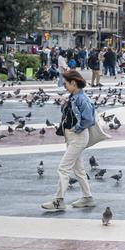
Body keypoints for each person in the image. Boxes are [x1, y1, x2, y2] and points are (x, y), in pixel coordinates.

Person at [41, 70, 97, 212]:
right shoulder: (73, 97)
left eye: (65, 83)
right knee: (78, 169)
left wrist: (76, 129)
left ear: (73, 83)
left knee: (63, 168)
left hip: (78, 137)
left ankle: (59, 200)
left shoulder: (82, 99)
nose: (64, 86)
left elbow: (89, 119)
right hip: (72, 137)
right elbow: (70, 115)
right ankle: (87, 198)